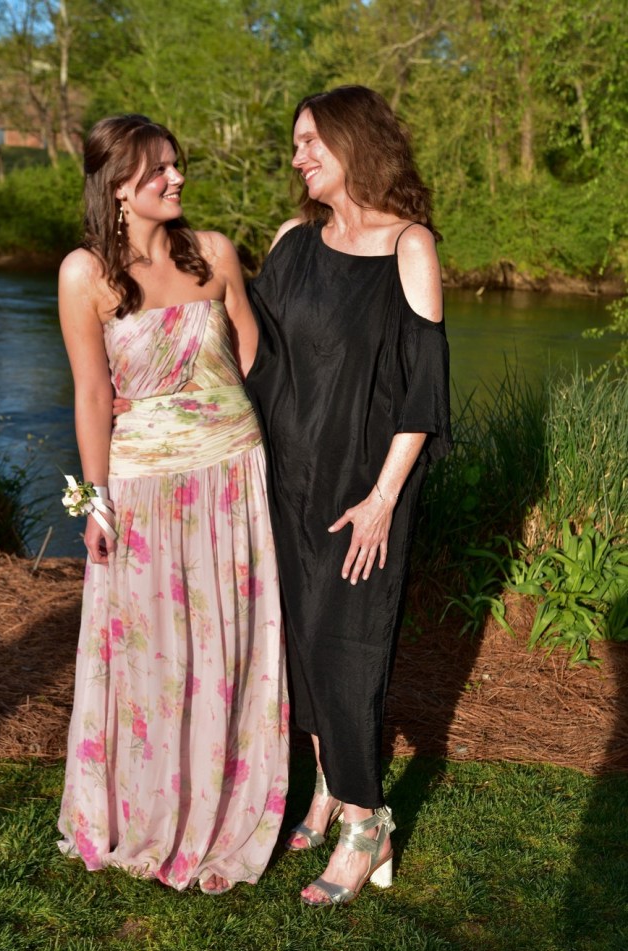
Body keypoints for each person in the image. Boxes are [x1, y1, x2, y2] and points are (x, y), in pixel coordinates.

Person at [57, 114, 289, 895]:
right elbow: (92, 394)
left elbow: (251, 350)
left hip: (233, 473)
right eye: (158, 169)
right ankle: (151, 806)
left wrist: (213, 410)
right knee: (152, 650)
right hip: (145, 484)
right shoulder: (85, 274)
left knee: (229, 642)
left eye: (177, 164)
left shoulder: (214, 252)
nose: (177, 178)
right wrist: (96, 501)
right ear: (118, 185)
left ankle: (231, 804)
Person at [245, 85, 452, 906]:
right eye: (296, 142)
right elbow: (254, 357)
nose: (298, 156)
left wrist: (383, 498)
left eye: (311, 141)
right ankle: (329, 786)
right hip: (284, 478)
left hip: (362, 490)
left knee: (346, 646)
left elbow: (423, 391)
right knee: (301, 640)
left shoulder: (409, 246)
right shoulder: (291, 240)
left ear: (353, 142)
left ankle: (368, 823)